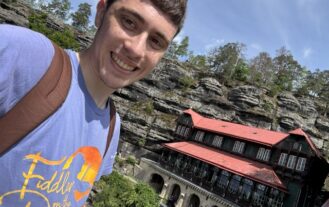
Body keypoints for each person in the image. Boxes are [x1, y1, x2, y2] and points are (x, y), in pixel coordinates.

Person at [0, 0, 187, 206]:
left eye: (156, 41)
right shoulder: (25, 55)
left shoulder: (112, 128)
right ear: (100, 13)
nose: (136, 50)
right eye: (129, 22)